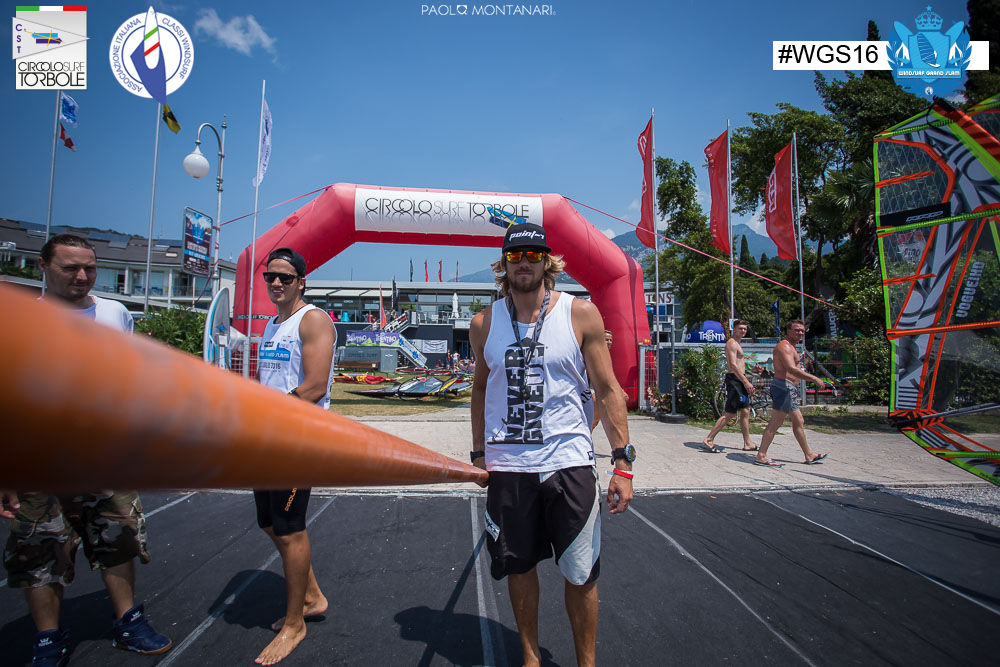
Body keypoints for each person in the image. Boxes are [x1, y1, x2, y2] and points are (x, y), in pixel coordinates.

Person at [0, 233, 171, 666]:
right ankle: (48, 639)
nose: (82, 276)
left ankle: (128, 620)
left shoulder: (115, 314)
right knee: (40, 552)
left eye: (89, 268)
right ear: (43, 266)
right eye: (70, 268)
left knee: (119, 540)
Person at [469, 223, 635, 667]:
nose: (524, 261)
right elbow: (480, 389)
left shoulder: (580, 314)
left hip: (569, 463)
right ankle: (530, 657)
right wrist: (479, 452)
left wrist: (623, 464)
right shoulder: (484, 323)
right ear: (504, 264)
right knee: (518, 567)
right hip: (508, 466)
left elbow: (608, 389)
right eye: (515, 255)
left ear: (547, 261)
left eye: (533, 254)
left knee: (581, 574)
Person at [253, 247, 336, 665]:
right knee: (269, 523)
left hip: (297, 441)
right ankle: (313, 596)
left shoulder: (313, 320)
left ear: (302, 281)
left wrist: (261, 412)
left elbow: (315, 386)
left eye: (285, 277)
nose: (276, 283)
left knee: (289, 529)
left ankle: (294, 624)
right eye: (271, 276)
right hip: (267, 438)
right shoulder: (272, 325)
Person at [755, 320, 828, 467]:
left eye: (802, 331)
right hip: (784, 387)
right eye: (797, 330)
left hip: (789, 388)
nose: (800, 333)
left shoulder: (792, 347)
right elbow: (791, 368)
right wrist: (814, 378)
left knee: (799, 421)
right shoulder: (785, 347)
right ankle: (761, 455)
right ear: (788, 331)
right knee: (776, 422)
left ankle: (809, 455)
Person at [702, 320, 757, 452]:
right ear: (734, 329)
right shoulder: (731, 343)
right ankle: (709, 439)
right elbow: (733, 365)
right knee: (730, 413)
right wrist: (745, 381)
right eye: (740, 328)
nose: (743, 331)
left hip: (740, 380)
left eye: (745, 329)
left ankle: (747, 442)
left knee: (745, 411)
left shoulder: (738, 344)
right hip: (735, 380)